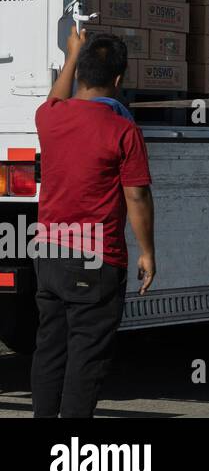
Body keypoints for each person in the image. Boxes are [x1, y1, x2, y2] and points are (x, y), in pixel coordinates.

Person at [31, 27, 156, 418]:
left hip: (48, 252)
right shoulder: (123, 131)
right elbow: (136, 196)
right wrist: (148, 253)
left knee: (50, 346)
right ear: (118, 81)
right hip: (96, 257)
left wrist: (71, 53)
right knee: (86, 355)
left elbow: (57, 94)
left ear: (80, 73)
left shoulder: (48, 118)